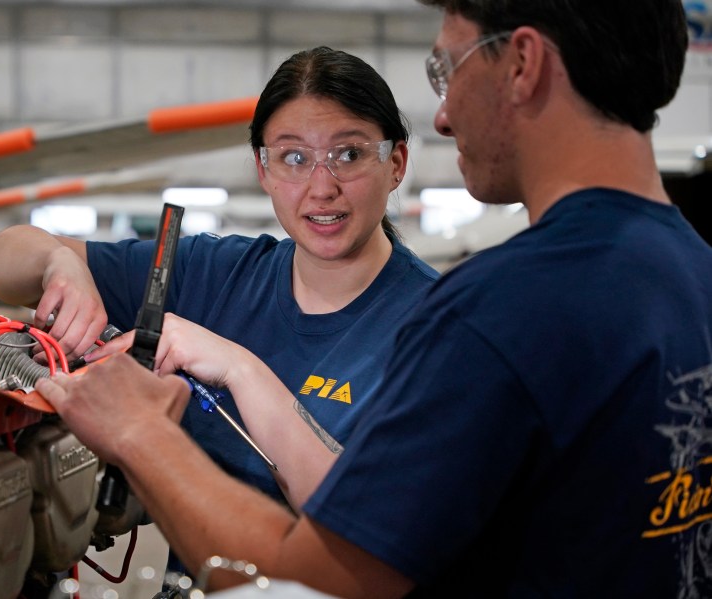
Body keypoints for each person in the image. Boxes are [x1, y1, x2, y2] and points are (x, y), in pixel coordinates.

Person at [35, 0, 712, 597]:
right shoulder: (695, 271)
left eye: (447, 71)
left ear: (524, 64)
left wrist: (139, 430)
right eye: (294, 158)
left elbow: (314, 581)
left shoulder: (499, 312)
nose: (443, 116)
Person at [0, 47, 438, 513]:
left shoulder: (440, 327)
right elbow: (4, 257)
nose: (322, 187)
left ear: (396, 163)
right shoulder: (211, 272)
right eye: (294, 157)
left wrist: (239, 369)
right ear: (263, 168)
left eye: (349, 153)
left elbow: (375, 519)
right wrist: (60, 261)